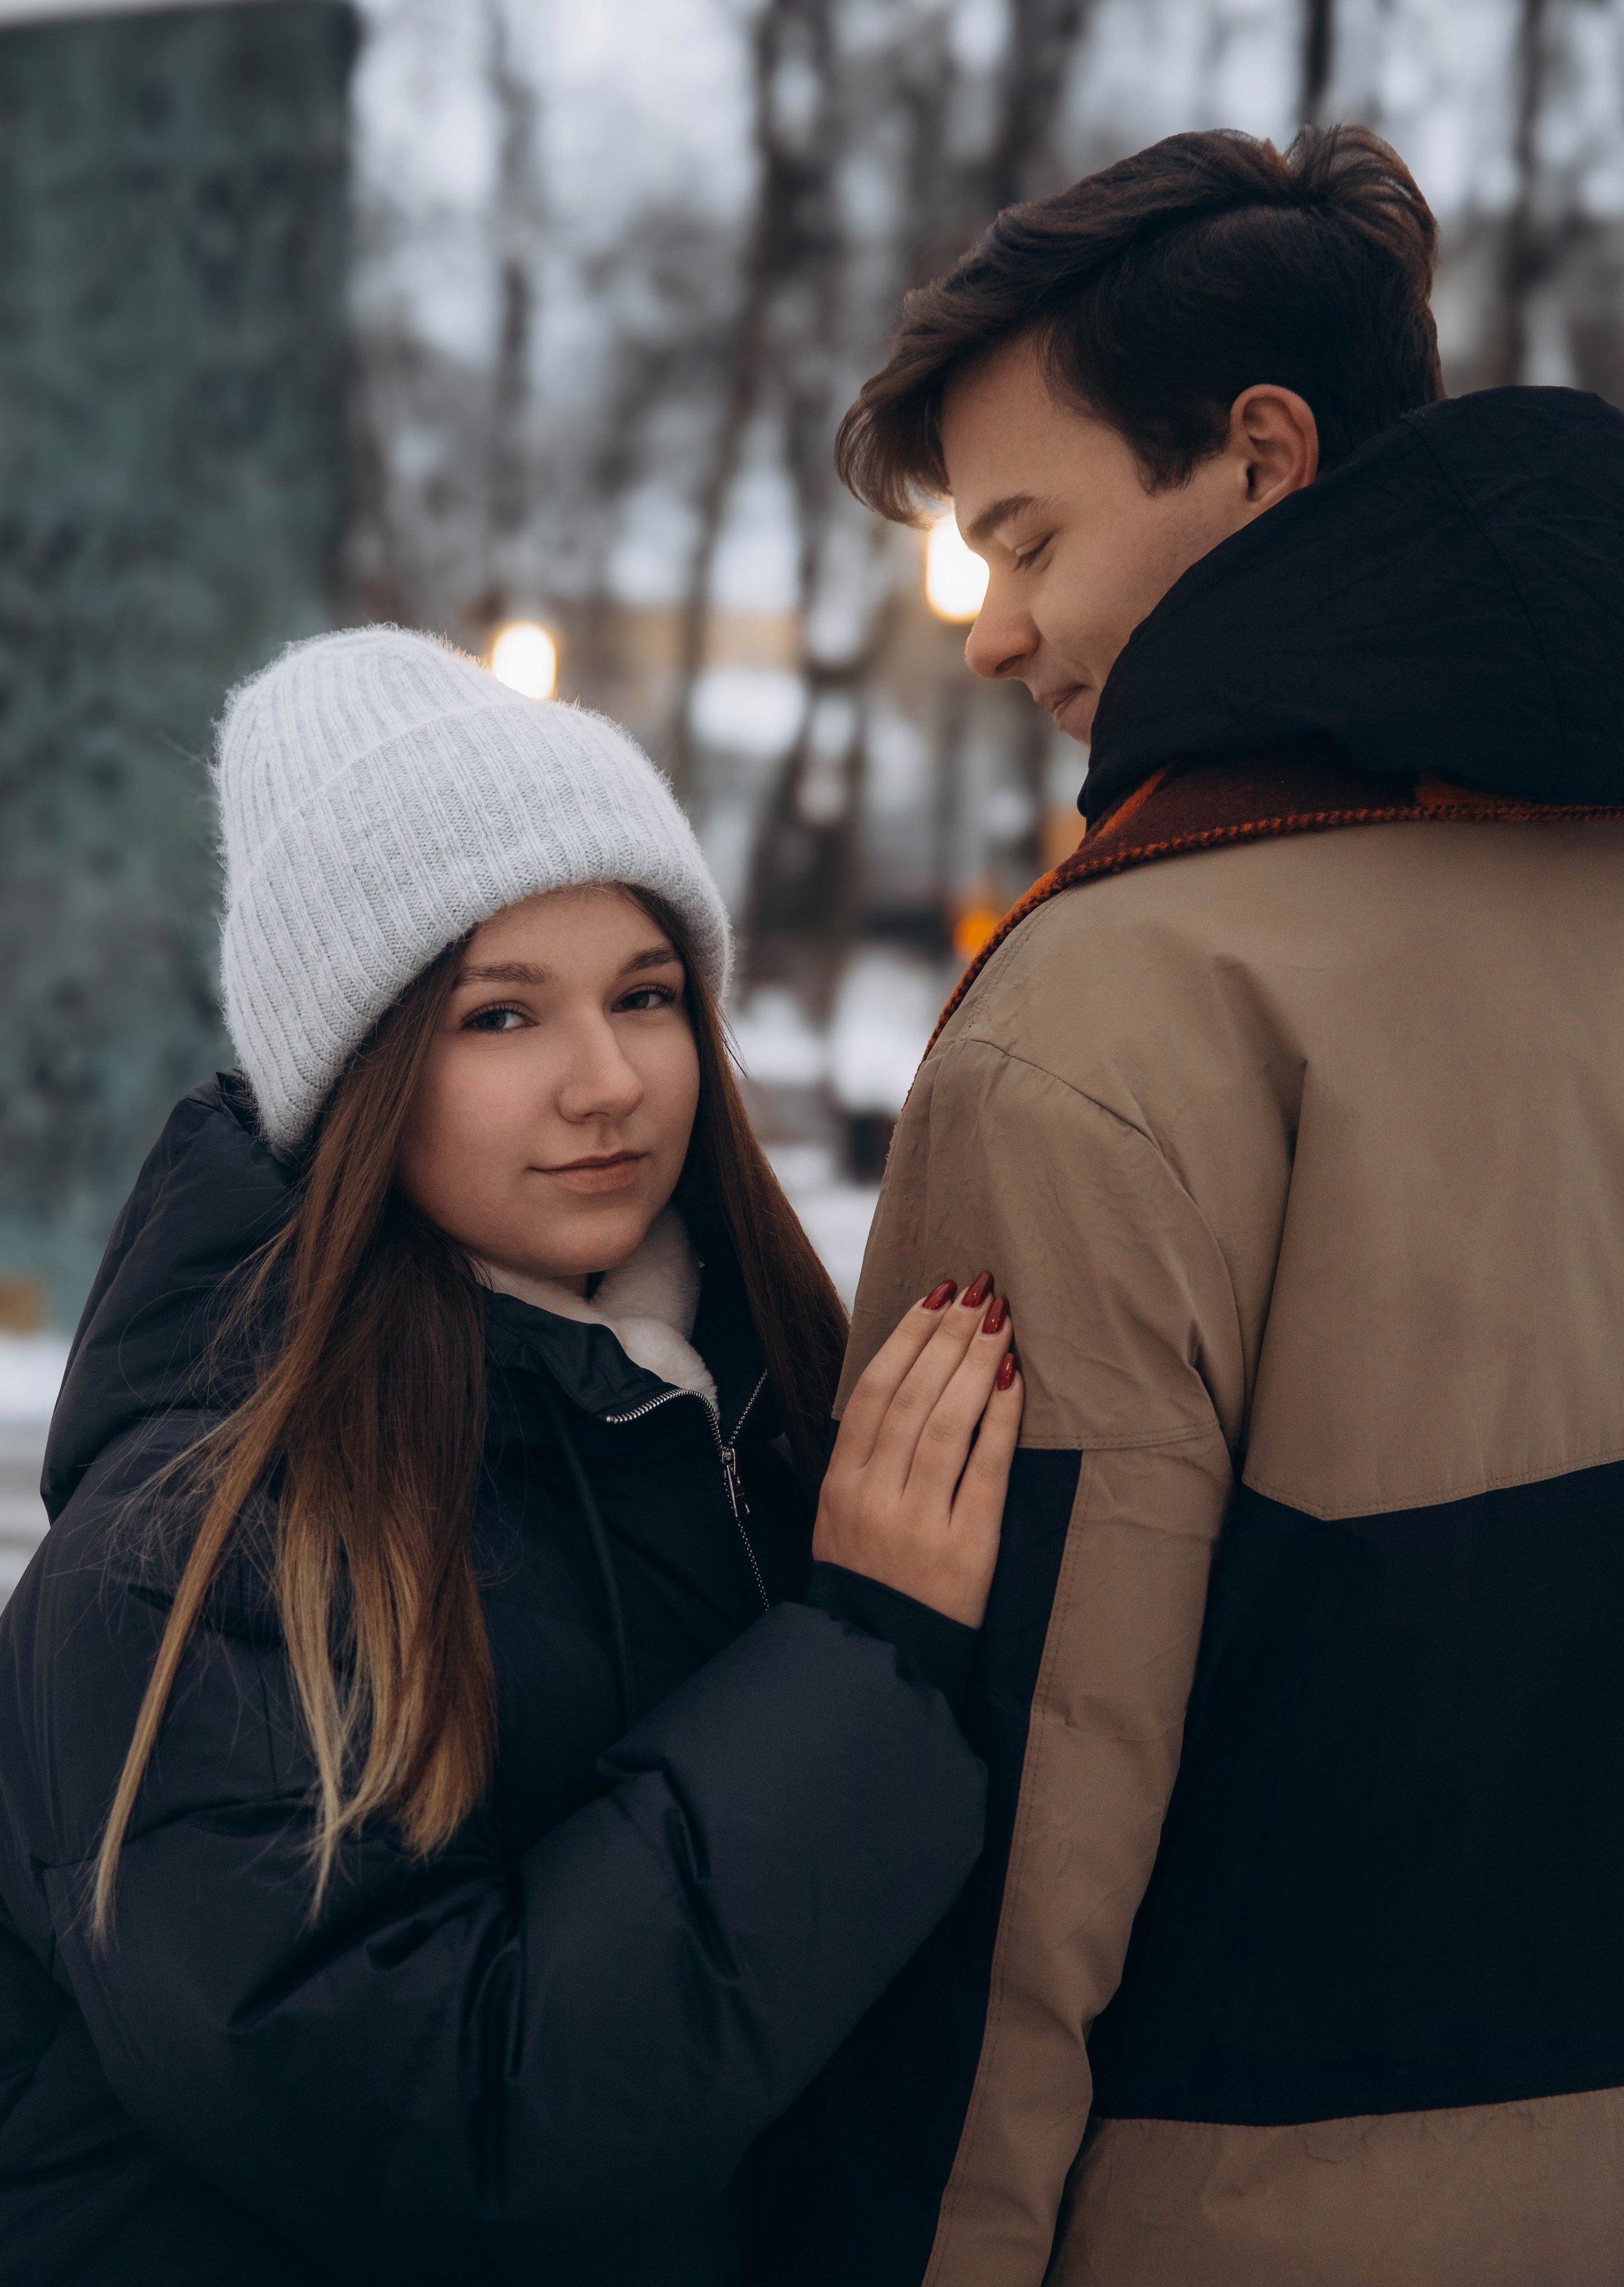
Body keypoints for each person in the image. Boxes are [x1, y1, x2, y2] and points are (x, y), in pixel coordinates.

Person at [770, 124, 1624, 2286]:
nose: (1001, 636)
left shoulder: (1105, 1023)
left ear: (1261, 458)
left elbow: (1023, 1817)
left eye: (1028, 541)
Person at [0, 626, 1024, 2287]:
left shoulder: (749, 1406)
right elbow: (446, 2125)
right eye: (499, 1017)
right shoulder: (199, 1550)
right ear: (359, 1074)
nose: (608, 1082)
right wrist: (867, 1668)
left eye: (645, 994)